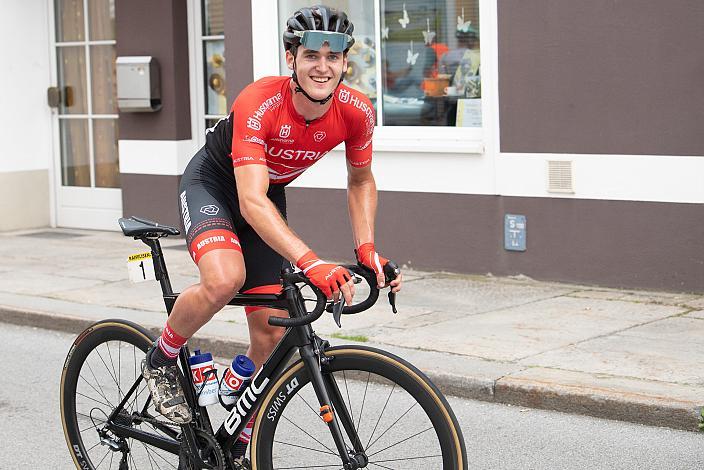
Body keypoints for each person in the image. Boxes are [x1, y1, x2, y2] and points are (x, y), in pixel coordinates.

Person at [140, 4, 403, 467]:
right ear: (291, 60)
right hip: (216, 185)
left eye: (334, 55)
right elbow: (250, 202)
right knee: (224, 279)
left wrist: (367, 252)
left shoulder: (357, 111)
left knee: (269, 333)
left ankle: (238, 438)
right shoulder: (260, 101)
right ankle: (161, 360)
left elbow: (361, 180)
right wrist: (311, 261)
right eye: (310, 55)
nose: (322, 66)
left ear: (346, 62)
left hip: (266, 194)